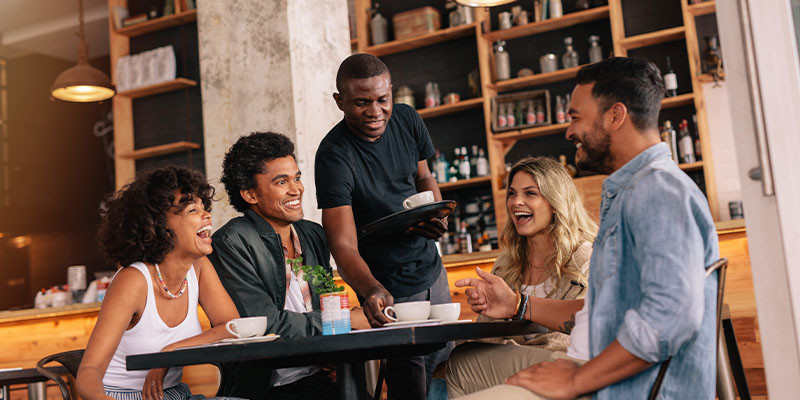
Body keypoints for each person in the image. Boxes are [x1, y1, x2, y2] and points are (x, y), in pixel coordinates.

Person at [454, 57, 720, 399]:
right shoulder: (631, 191)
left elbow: (668, 319)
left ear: (615, 116)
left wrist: (577, 379)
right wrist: (520, 306)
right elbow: (607, 310)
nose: (569, 132)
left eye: (576, 117)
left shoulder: (658, 193)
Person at [315, 53, 451, 399]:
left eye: (382, 100)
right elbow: (342, 244)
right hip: (387, 282)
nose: (376, 111)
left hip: (431, 270)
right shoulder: (334, 156)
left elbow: (424, 178)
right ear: (339, 101)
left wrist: (436, 213)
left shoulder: (406, 118)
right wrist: (372, 289)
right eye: (362, 103)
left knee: (447, 366)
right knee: (410, 380)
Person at [207, 131, 368, 400]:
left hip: (320, 377)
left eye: (297, 178)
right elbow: (265, 324)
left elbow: (324, 302)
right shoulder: (231, 243)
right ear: (250, 194)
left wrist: (333, 354)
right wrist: (344, 320)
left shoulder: (313, 234)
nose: (296, 189)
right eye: (282, 182)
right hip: (269, 387)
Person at [77, 166, 241, 400]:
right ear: (160, 224)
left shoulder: (199, 268)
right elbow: (88, 372)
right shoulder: (133, 281)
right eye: (193, 210)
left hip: (175, 394)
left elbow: (233, 328)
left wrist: (170, 352)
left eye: (205, 208)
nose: (207, 216)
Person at [445, 156, 597, 398]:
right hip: (515, 369)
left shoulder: (584, 258)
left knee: (460, 363)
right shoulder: (506, 263)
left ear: (556, 202)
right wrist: (485, 307)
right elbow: (487, 335)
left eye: (530, 193)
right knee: (455, 362)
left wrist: (514, 315)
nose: (517, 202)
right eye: (512, 194)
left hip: (568, 370)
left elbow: (583, 332)